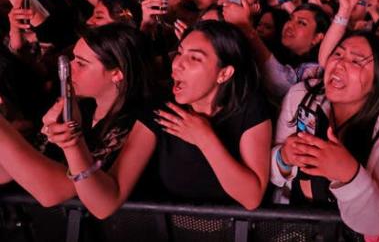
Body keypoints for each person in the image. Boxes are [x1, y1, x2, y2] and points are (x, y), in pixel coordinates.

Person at [49, 21, 271, 217]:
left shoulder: (248, 107)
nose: (177, 64)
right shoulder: (160, 107)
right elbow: (106, 203)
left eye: (194, 58)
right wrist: (73, 145)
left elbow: (251, 198)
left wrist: (205, 138)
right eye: (180, 52)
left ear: (224, 73)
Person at [271, 32, 379, 236]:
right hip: (294, 223)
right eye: (337, 54)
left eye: (356, 61)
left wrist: (348, 174)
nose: (339, 64)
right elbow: (271, 174)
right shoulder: (301, 95)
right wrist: (284, 157)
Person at [0, 24, 153, 207]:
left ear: (117, 74)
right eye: (72, 59)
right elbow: (8, 172)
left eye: (81, 63)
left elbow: (55, 191)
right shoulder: (81, 106)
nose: (69, 68)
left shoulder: (137, 120)